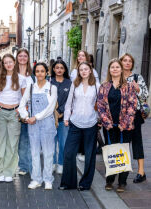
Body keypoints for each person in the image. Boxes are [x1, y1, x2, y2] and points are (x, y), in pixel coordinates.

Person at [97, 58, 137, 193]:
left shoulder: (129, 86)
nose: (114, 69)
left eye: (117, 67)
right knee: (110, 153)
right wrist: (107, 123)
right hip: (109, 126)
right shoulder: (104, 86)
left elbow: (133, 105)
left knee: (123, 152)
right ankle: (109, 180)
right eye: (112, 67)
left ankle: (122, 182)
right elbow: (101, 106)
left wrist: (124, 123)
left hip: (124, 127)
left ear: (121, 69)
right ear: (109, 70)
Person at [59, 61, 100, 191]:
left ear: (91, 71)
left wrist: (99, 119)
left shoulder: (97, 86)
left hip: (91, 124)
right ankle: (68, 183)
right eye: (81, 69)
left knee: (89, 155)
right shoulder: (75, 85)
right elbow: (68, 104)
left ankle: (85, 183)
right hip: (75, 123)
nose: (83, 71)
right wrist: (66, 118)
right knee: (69, 153)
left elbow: (101, 105)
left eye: (86, 69)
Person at [19, 62, 57, 190]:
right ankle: (36, 179)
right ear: (34, 73)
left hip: (47, 123)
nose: (40, 73)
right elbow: (22, 104)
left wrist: (36, 117)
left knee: (48, 152)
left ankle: (48, 179)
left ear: (47, 73)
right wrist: (26, 117)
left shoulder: (52, 88)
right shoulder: (30, 87)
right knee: (34, 152)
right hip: (33, 124)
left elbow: (50, 108)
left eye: (42, 71)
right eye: (37, 71)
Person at [0, 54, 26, 182]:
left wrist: (21, 109)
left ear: (14, 62)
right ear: (3, 64)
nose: (8, 64)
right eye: (5, 62)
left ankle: (9, 171)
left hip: (14, 113)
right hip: (1, 112)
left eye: (10, 62)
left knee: (12, 144)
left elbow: (24, 97)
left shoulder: (21, 78)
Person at [120, 53, 148, 183]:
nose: (127, 63)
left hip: (135, 114)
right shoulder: (117, 76)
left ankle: (141, 172)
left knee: (137, 141)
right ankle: (122, 171)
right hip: (120, 115)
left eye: (130, 61)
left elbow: (145, 95)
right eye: (125, 60)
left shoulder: (137, 77)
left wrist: (138, 89)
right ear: (121, 62)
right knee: (123, 143)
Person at [70, 50, 99, 162]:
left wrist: (97, 114)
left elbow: (97, 95)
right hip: (76, 109)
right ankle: (79, 151)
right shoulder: (74, 72)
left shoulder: (94, 75)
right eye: (79, 56)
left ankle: (84, 151)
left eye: (83, 55)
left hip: (90, 112)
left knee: (88, 137)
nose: (80, 57)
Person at [50, 59, 72, 174]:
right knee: (51, 142)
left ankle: (61, 163)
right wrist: (53, 111)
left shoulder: (69, 83)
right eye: (57, 68)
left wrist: (61, 111)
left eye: (61, 68)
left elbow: (70, 100)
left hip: (63, 118)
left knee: (63, 143)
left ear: (65, 70)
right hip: (50, 118)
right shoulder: (49, 81)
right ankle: (52, 163)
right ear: (53, 69)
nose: (59, 70)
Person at [15, 48, 32, 176]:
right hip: (15, 110)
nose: (22, 58)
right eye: (20, 56)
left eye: (25, 56)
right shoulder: (13, 73)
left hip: (30, 111)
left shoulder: (33, 75)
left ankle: (29, 165)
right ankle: (23, 166)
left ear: (28, 58)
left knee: (28, 139)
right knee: (20, 140)